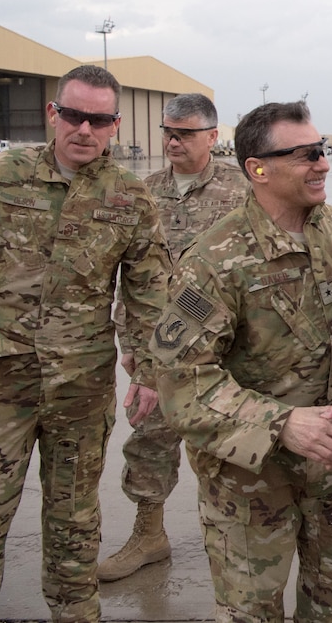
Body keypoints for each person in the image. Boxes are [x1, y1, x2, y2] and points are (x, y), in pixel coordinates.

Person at [152, 101, 332, 622]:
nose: (324, 164)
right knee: (251, 612)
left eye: (323, 150)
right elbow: (181, 385)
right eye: (307, 154)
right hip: (250, 480)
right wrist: (282, 424)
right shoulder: (213, 261)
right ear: (257, 168)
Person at [0, 65, 171, 622]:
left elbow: (148, 291)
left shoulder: (131, 198)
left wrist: (148, 373)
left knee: (74, 519)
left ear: (114, 125)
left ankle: (75, 614)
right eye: (73, 115)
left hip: (79, 387)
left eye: (99, 119)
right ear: (52, 114)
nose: (84, 129)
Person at [98, 93, 248, 581]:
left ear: (211, 135)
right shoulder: (144, 190)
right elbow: (125, 273)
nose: (172, 140)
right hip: (158, 344)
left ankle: (233, 536)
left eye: (184, 133)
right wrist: (131, 344)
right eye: (168, 131)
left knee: (227, 443)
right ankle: (149, 534)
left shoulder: (242, 189)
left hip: (223, 345)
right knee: (149, 439)